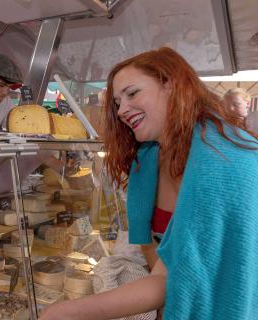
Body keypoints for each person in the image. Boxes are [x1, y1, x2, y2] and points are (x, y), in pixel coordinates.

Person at [40, 47, 258, 319]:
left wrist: (65, 312)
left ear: (171, 84)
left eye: (132, 93)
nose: (122, 111)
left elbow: (188, 276)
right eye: (118, 102)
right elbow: (163, 271)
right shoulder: (148, 159)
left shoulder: (225, 160)